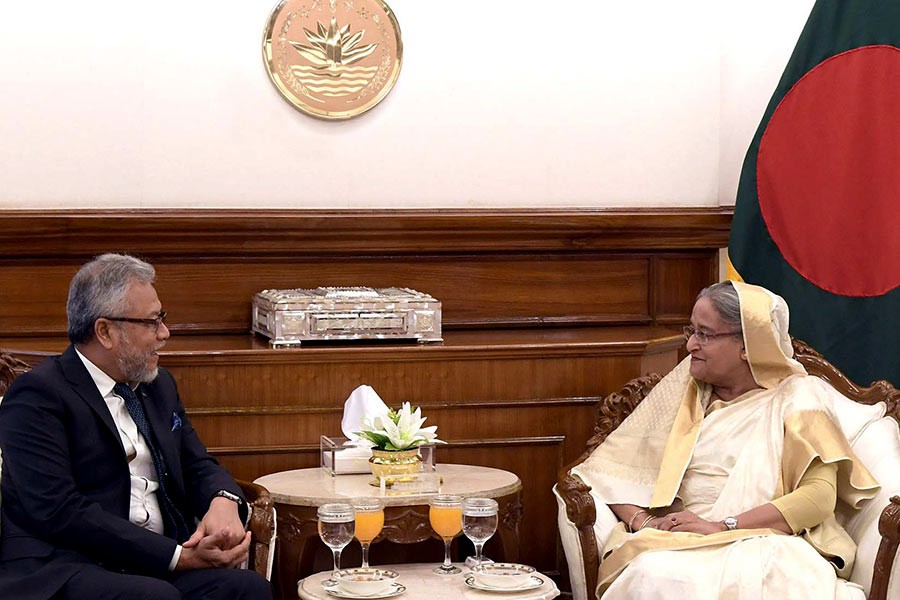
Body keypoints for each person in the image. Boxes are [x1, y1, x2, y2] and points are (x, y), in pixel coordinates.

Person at [572, 281, 880, 599]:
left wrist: (723, 526)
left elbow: (818, 497)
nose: (690, 344)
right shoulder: (683, 392)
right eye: (690, 331)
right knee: (652, 575)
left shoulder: (799, 396)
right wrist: (644, 521)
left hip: (766, 540)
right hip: (680, 542)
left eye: (704, 334)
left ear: (747, 344)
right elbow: (604, 472)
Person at [0, 254, 273, 600]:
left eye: (162, 318)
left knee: (248, 588)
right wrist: (178, 557)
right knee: (154, 597)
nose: (164, 333)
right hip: (67, 565)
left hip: (152, 564)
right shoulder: (38, 396)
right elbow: (59, 511)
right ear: (105, 331)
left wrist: (224, 500)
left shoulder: (158, 386)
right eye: (151, 322)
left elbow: (197, 464)